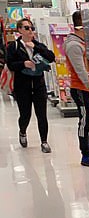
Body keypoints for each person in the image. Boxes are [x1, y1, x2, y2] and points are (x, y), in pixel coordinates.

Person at [6, 18, 55, 152]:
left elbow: (51, 57)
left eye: (31, 28)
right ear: (20, 30)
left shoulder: (38, 45)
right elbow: (10, 64)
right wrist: (23, 64)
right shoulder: (14, 47)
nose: (30, 31)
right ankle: (22, 131)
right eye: (27, 28)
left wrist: (36, 47)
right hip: (22, 87)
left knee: (42, 115)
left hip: (39, 85)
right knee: (25, 114)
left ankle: (44, 142)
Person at [65, 11, 89, 167]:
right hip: (81, 89)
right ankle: (84, 154)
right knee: (85, 121)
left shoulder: (84, 42)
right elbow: (81, 71)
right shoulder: (74, 45)